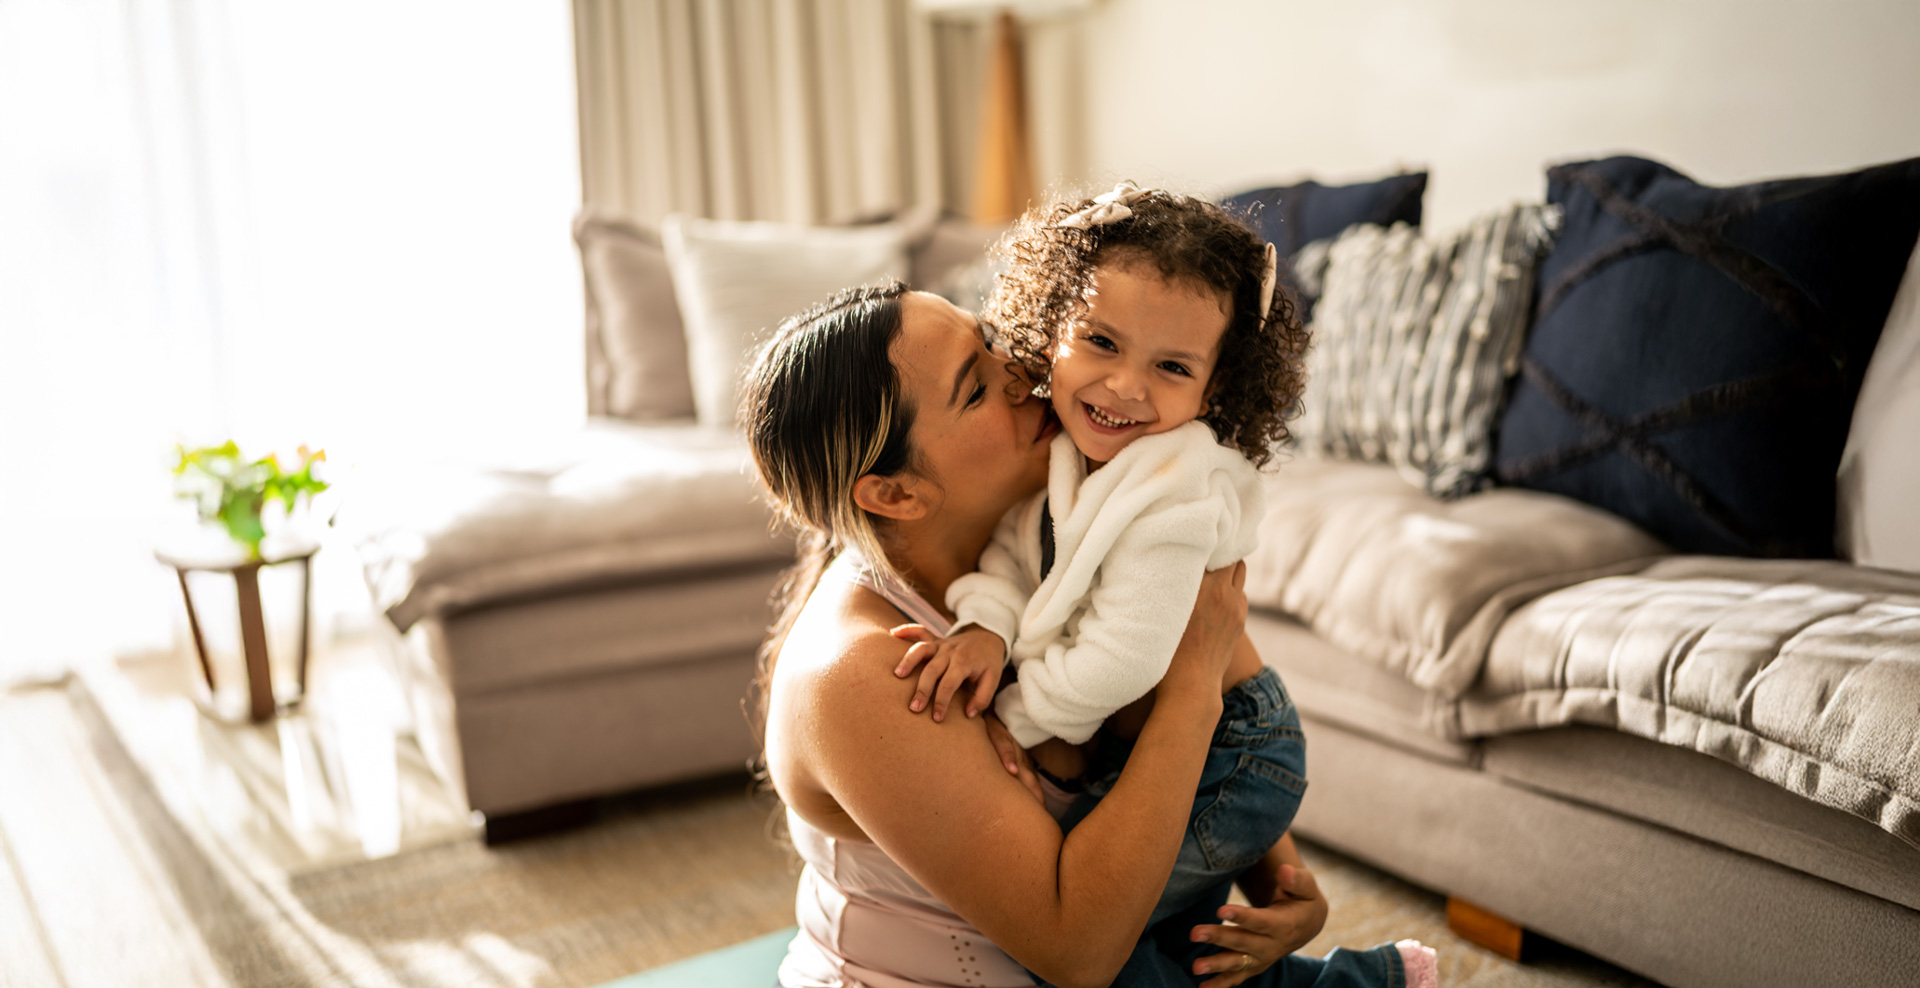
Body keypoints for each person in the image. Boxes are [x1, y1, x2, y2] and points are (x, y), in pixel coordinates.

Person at [742, 282, 1406, 988]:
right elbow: (1078, 951)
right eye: (977, 389)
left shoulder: (1067, 514)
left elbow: (1227, 701)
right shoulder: (858, 671)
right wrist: (1191, 689)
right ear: (896, 493)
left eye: (993, 343)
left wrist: (1284, 887)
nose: (1026, 372)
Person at [882, 185, 1438, 988]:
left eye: (1171, 367)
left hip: (1237, 749)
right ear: (1050, 330)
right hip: (1157, 741)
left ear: (1211, 392)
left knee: (1091, 943)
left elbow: (1123, 660)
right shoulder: (1070, 450)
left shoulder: (1177, 492)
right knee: (1182, 941)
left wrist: (1013, 718)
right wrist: (987, 630)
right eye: (1100, 342)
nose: (1126, 387)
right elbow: (1013, 557)